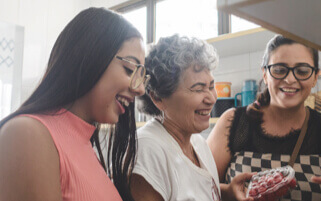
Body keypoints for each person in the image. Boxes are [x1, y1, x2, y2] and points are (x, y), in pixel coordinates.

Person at [0, 7, 149, 201]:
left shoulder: (85, 145)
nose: (140, 90)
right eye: (129, 70)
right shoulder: (28, 134)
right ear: (90, 57)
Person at [207, 34, 321, 201]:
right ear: (265, 74)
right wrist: (227, 193)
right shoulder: (232, 122)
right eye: (279, 70)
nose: (290, 79)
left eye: (302, 71)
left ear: (314, 78)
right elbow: (197, 186)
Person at [130, 35, 254, 201]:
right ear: (158, 98)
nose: (211, 98)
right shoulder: (147, 151)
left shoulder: (197, 142)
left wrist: (227, 192)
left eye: (211, 86)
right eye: (198, 89)